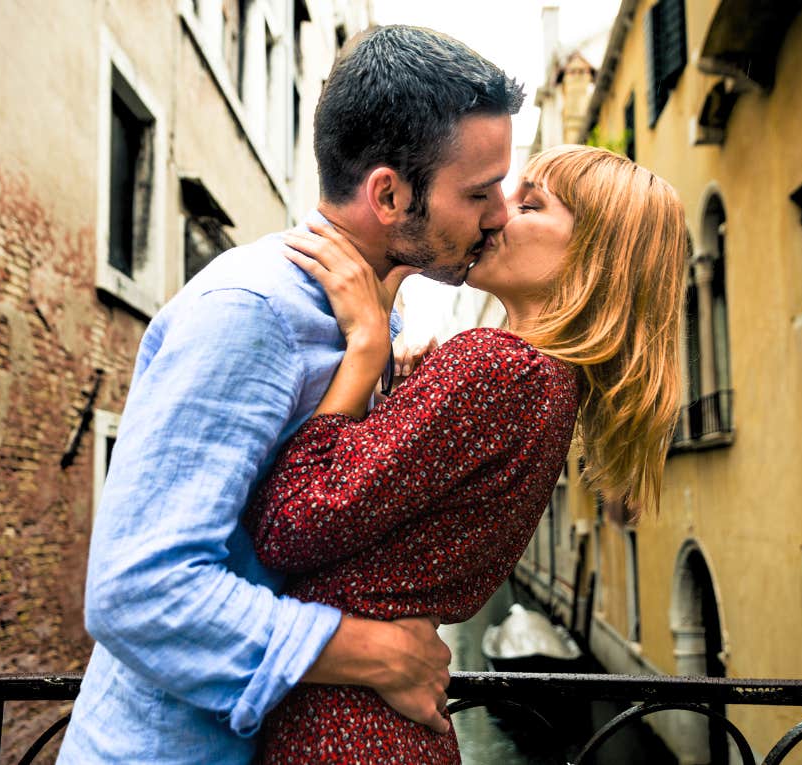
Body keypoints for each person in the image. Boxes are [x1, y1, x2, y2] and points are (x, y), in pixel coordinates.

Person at [56, 25, 525, 764]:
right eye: (478, 191)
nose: (499, 213)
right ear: (389, 193)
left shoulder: (380, 320)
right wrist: (373, 652)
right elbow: (137, 588)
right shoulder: (252, 310)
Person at [244, 144, 689, 763]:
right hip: (385, 724)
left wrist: (365, 351)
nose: (499, 213)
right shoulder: (552, 385)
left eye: (530, 203)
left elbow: (288, 523)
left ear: (592, 256)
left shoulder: (494, 366)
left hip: (342, 726)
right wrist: (406, 397)